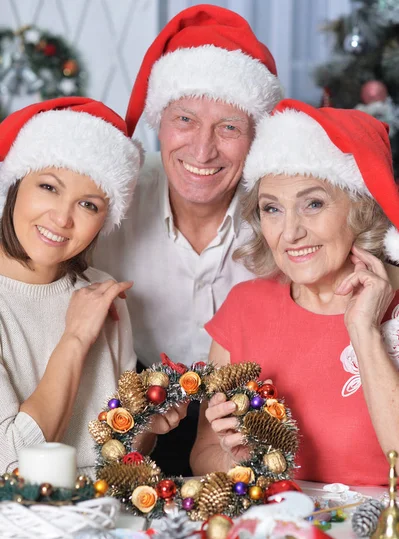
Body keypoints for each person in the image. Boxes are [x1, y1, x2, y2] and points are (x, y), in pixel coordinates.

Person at [94, 4, 283, 474]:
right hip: (129, 407)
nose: (202, 150)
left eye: (229, 127)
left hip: (252, 414)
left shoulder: (285, 212)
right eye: (184, 119)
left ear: (256, 137)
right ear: (159, 121)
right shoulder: (111, 200)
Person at [191, 99, 399, 486]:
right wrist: (238, 457)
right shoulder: (245, 307)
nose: (289, 233)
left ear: (362, 208)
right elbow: (203, 455)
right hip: (282, 534)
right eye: (272, 209)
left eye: (313, 204)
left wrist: (366, 333)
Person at [0, 97, 148, 476]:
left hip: (105, 519)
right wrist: (76, 337)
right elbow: (12, 465)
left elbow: (120, 458)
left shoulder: (101, 292)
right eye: (49, 187)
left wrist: (147, 424)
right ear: (15, 184)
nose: (63, 218)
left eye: (88, 205)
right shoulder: (87, 311)